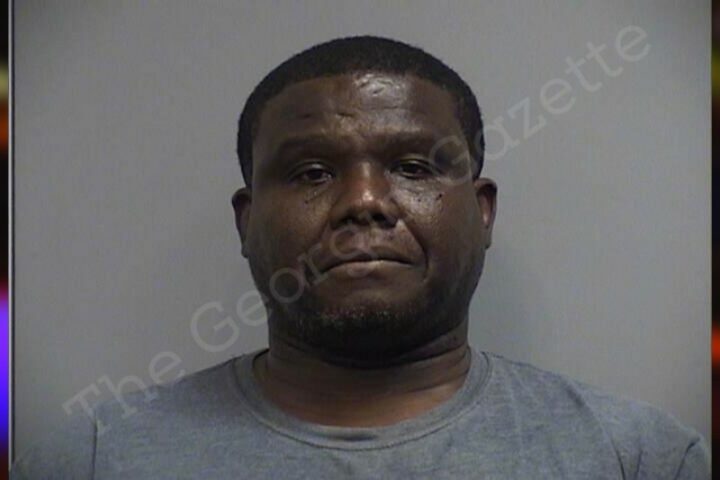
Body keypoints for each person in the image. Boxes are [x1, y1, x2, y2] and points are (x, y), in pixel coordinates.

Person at [12, 36, 709, 479]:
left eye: (413, 167)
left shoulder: (641, 458)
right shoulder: (91, 460)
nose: (365, 202)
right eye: (312, 173)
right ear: (247, 222)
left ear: (482, 211)